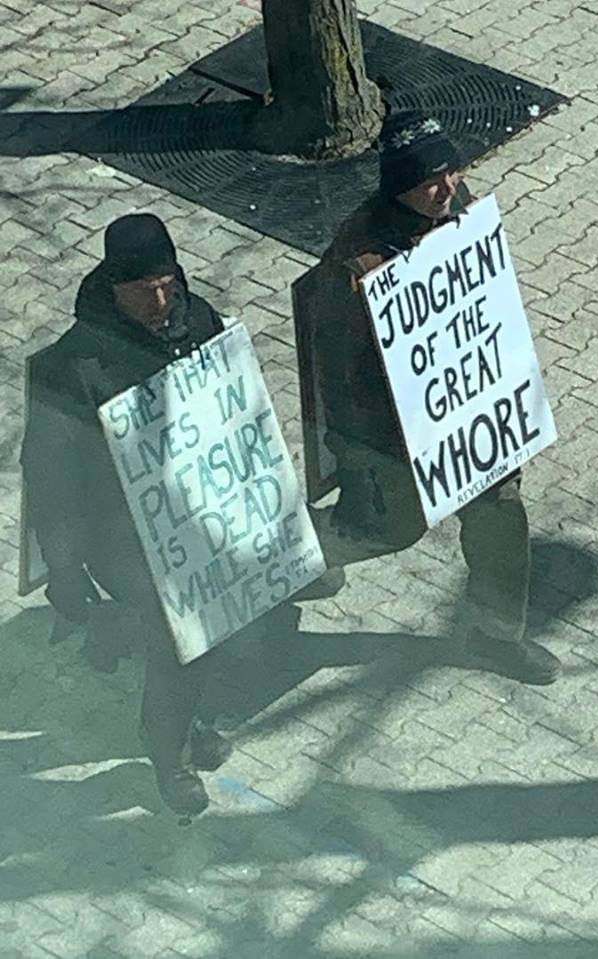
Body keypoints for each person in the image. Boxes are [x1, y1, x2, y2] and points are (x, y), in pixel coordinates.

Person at [20, 213, 338, 815]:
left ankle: (187, 716)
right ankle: (170, 757)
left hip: (205, 515)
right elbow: (50, 477)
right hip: (122, 535)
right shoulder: (77, 366)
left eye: (168, 283)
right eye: (143, 290)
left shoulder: (202, 320)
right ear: (113, 288)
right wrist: (66, 572)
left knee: (225, 626)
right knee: (181, 641)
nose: (161, 300)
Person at [300, 112, 560, 685]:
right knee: (390, 529)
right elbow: (339, 375)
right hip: (391, 434)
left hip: (467, 414)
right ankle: (298, 555)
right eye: (429, 181)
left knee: (499, 514)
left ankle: (497, 636)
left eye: (452, 172)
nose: (447, 189)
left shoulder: (456, 208)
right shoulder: (358, 264)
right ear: (399, 186)